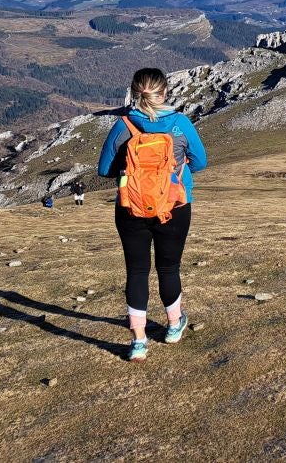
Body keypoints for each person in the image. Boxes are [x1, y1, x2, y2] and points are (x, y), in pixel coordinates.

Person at [97, 67, 208, 361]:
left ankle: (139, 342)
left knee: (136, 272)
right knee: (168, 268)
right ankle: (173, 326)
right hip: (174, 207)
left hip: (131, 209)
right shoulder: (181, 123)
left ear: (135, 93)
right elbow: (201, 162)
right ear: (165, 92)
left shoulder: (123, 125)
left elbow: (103, 170)